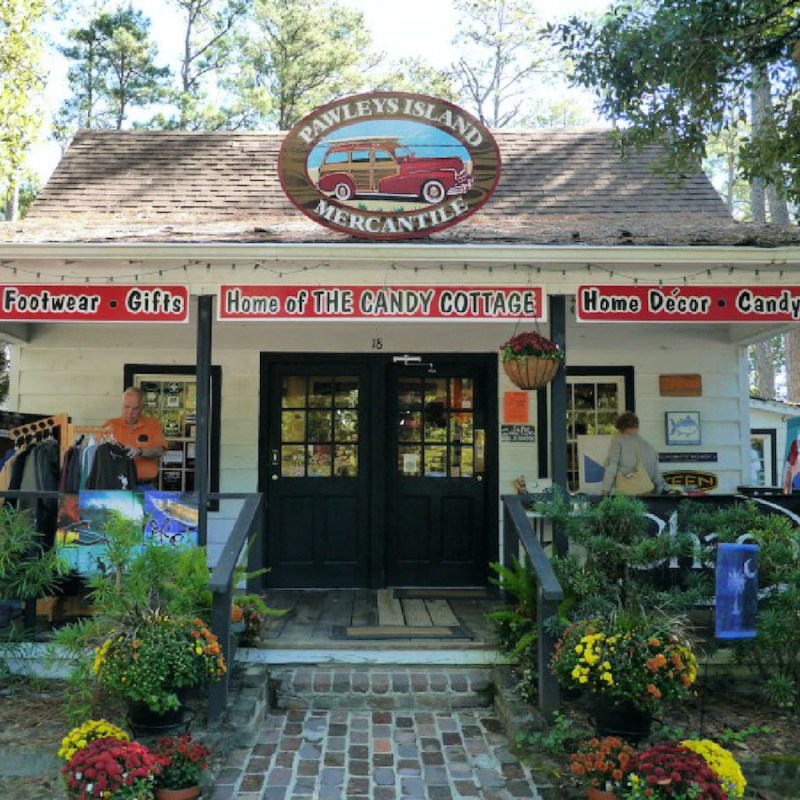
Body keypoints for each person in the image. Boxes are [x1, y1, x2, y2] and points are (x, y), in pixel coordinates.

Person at [103, 387, 166, 488]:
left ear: (142, 407)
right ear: (122, 405)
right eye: (126, 407)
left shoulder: (153, 425)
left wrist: (140, 451)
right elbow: (99, 454)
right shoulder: (110, 425)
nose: (130, 412)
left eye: (135, 408)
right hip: (116, 485)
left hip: (144, 485)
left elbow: (160, 450)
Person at [601, 411, 667, 495]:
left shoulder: (618, 440)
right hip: (647, 493)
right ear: (636, 426)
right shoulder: (647, 446)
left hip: (627, 494)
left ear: (621, 427)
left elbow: (612, 467)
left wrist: (605, 491)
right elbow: (657, 476)